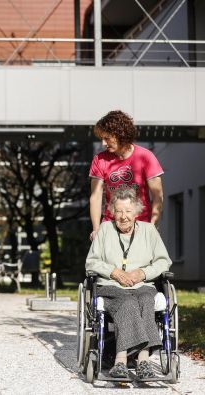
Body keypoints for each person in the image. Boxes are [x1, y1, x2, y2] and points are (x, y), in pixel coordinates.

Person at [85, 187, 171, 379]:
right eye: (119, 211)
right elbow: (91, 261)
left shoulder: (149, 231)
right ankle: (121, 361)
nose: (123, 216)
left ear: (137, 212)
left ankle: (143, 361)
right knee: (128, 303)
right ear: (112, 212)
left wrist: (143, 273)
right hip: (110, 286)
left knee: (146, 301)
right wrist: (114, 272)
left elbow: (163, 261)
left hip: (143, 285)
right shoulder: (105, 229)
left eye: (128, 211)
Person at [89, 110, 164, 241]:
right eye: (102, 139)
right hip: (111, 226)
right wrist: (96, 230)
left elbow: (158, 196)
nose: (103, 144)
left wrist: (152, 226)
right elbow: (95, 197)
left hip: (141, 225)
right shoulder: (99, 160)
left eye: (107, 138)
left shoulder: (146, 157)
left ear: (120, 134)